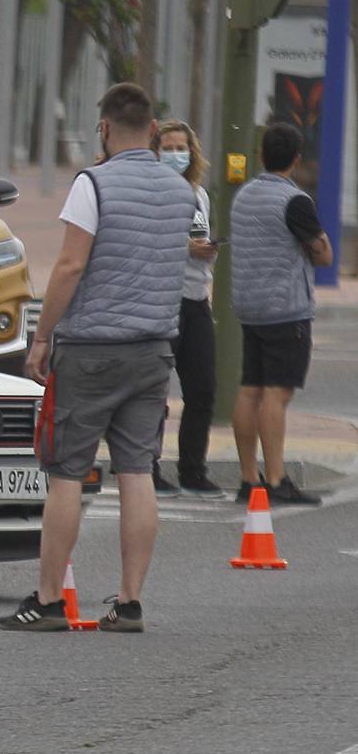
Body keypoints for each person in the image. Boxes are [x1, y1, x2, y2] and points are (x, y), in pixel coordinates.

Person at [1, 83, 194, 635]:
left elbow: (69, 266)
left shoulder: (94, 183)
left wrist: (42, 337)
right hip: (155, 349)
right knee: (137, 471)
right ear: (154, 130)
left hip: (91, 349)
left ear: (105, 128)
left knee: (66, 473)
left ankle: (48, 600)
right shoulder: (180, 189)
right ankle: (129, 602)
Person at [229, 121, 334, 506]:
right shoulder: (295, 201)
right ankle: (275, 479)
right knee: (276, 394)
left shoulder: (243, 195)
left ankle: (246, 477)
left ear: (260, 155)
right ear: (296, 159)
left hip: (250, 307)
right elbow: (322, 252)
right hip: (286, 310)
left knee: (249, 390)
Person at [149, 120, 222, 498]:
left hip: (196, 298)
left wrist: (207, 248)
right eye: (169, 147)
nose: (177, 154)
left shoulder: (200, 195)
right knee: (156, 388)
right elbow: (150, 240)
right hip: (164, 296)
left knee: (203, 388)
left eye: (183, 148)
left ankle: (193, 468)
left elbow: (199, 236)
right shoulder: (153, 193)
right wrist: (185, 248)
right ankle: (147, 466)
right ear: (155, 152)